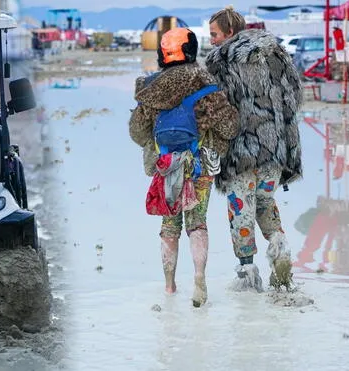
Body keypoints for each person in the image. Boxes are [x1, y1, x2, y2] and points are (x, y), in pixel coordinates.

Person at [129, 28, 239, 307]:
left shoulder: (150, 87)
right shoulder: (204, 81)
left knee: (169, 225)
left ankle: (168, 286)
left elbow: (137, 132)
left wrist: (159, 147)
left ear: (162, 53)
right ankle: (199, 278)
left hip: (165, 166)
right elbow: (229, 126)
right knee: (197, 222)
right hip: (200, 163)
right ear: (190, 50)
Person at [204, 6, 304, 292]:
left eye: (214, 34)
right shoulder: (276, 54)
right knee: (265, 203)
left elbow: (216, 110)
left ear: (230, 33)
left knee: (241, 210)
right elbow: (294, 96)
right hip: (274, 149)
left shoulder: (221, 62)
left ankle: (247, 271)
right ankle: (280, 249)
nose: (211, 40)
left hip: (240, 152)